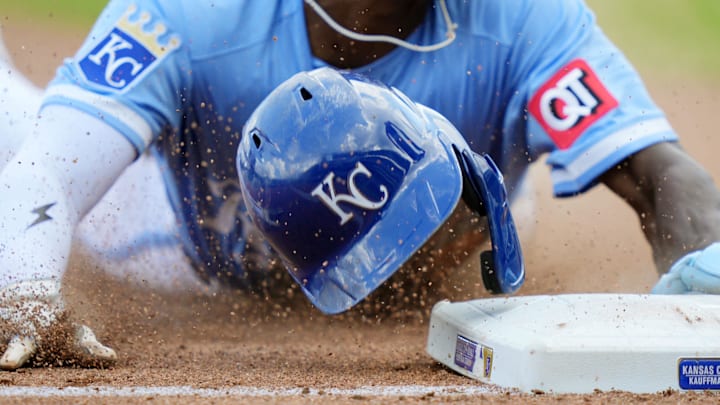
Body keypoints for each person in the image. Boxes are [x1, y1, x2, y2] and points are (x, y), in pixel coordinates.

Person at [1, 0, 720, 370]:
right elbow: (46, 174)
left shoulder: (524, 19)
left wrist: (708, 282)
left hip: (475, 220)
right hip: (190, 251)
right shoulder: (194, 15)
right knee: (21, 122)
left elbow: (667, 178)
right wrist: (23, 293)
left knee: (467, 195)